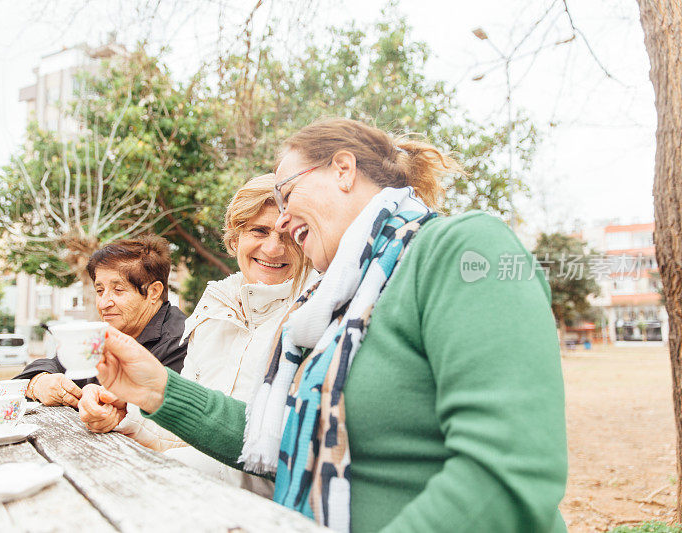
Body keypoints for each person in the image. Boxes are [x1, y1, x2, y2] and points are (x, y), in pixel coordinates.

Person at [94, 118, 568, 532]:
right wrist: (160, 389)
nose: (281, 221)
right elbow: (277, 437)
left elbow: (509, 476)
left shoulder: (465, 249)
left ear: (343, 170)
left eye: (285, 194)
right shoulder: (333, 302)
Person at [78, 174, 312, 497]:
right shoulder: (214, 309)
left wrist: (161, 474)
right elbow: (192, 429)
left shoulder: (316, 317)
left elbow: (284, 455)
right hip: (190, 494)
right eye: (259, 230)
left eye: (288, 234)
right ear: (235, 239)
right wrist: (124, 414)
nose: (273, 247)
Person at [14, 235, 187, 408]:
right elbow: (52, 365)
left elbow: (157, 411)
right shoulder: (103, 334)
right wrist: (40, 383)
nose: (104, 304)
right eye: (100, 290)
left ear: (154, 292)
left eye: (118, 290)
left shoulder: (181, 342)